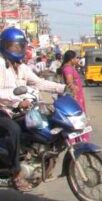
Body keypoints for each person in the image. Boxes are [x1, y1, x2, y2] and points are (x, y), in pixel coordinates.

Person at [0, 27, 66, 192]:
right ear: (4, 46)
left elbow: (38, 82)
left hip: (14, 111)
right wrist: (17, 101)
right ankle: (16, 174)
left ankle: (36, 159)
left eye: (20, 46)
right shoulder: (1, 64)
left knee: (41, 123)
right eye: (13, 46)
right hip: (3, 110)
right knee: (13, 130)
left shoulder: (21, 67)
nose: (17, 49)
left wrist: (62, 87)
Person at [60, 50, 89, 141]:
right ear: (71, 59)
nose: (78, 60)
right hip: (74, 98)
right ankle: (78, 141)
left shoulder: (71, 67)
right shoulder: (68, 68)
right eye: (76, 58)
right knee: (76, 119)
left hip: (77, 97)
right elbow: (69, 83)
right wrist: (74, 94)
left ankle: (79, 139)